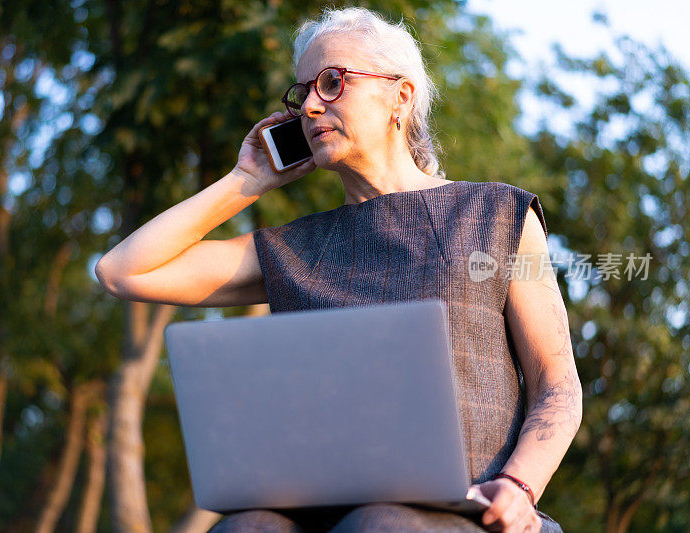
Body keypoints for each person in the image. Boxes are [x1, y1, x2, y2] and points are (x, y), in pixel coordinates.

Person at [95, 6, 582, 533]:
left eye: (332, 83)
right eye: (301, 91)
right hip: (319, 515)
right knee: (244, 527)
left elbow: (558, 386)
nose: (308, 106)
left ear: (401, 96)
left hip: (474, 510)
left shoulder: (497, 215)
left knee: (381, 523)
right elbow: (124, 272)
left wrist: (518, 488)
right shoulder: (294, 250)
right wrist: (247, 179)